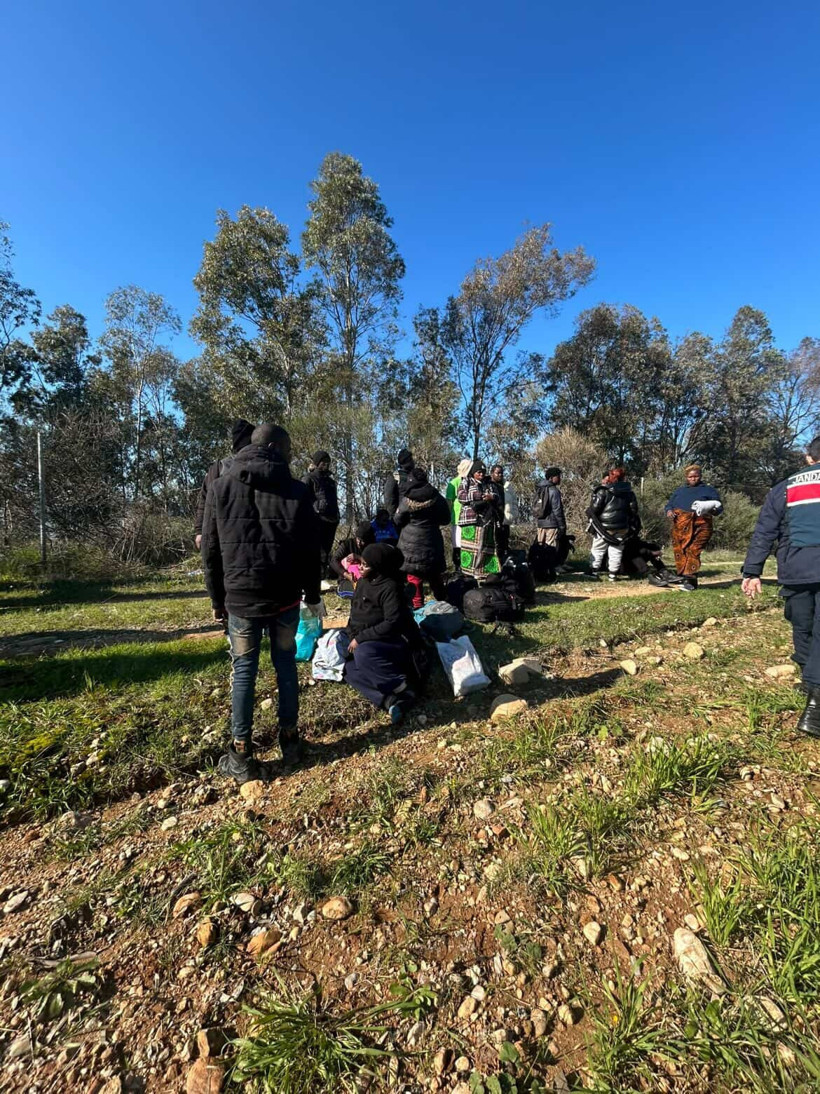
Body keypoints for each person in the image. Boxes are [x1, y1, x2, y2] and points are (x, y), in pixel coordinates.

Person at [201, 423, 322, 782]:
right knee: (285, 665)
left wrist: (217, 600)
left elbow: (210, 552)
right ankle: (291, 743)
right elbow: (310, 551)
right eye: (289, 448)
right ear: (275, 448)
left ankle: (241, 755)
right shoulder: (298, 491)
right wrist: (312, 595)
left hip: (240, 599)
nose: (292, 455)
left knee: (244, 672)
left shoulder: (220, 487)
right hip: (284, 598)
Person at [742, 437, 820, 738]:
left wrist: (752, 571)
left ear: (808, 457)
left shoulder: (785, 487)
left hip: (795, 567)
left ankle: (809, 681)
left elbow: (765, 531)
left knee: (802, 622)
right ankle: (815, 703)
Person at [344, 543, 423, 723]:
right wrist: (350, 634)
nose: (360, 567)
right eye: (360, 563)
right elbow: (356, 612)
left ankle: (401, 686)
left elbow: (392, 623)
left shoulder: (390, 587)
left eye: (365, 565)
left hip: (393, 641)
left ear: (379, 567)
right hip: (366, 635)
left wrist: (360, 638)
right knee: (348, 668)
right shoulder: (363, 582)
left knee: (363, 653)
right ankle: (390, 700)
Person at [194, 419, 255, 550]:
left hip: (232, 535)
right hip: (226, 533)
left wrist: (200, 532)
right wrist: (200, 531)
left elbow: (204, 500)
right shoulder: (220, 468)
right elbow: (205, 500)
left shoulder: (220, 467)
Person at [395, 468, 452, 607]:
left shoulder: (407, 499)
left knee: (414, 578)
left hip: (410, 546)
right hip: (432, 543)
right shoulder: (437, 497)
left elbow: (397, 520)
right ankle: (444, 604)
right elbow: (446, 519)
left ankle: (418, 608)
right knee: (435, 576)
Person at [665, 465, 723, 591]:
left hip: (702, 526)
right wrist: (669, 511)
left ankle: (689, 580)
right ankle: (688, 581)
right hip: (680, 526)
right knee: (682, 551)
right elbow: (669, 505)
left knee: (694, 550)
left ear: (700, 476)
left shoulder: (708, 490)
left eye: (696, 476)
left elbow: (718, 507)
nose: (693, 479)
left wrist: (711, 509)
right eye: (690, 477)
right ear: (686, 477)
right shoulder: (680, 491)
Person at [587, 467, 641, 582]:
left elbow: (594, 509)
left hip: (603, 527)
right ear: (624, 478)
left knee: (598, 549)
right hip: (622, 527)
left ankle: (593, 571)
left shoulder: (603, 491)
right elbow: (634, 511)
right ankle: (612, 574)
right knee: (616, 550)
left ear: (610, 477)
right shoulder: (630, 493)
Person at [457, 462, 502, 581]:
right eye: (479, 472)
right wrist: (480, 496)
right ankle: (468, 572)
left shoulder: (489, 483)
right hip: (470, 520)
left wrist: (491, 497)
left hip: (486, 520)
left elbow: (498, 497)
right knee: (469, 548)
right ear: (473, 473)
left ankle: (483, 572)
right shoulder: (466, 481)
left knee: (484, 547)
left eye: (483, 472)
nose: (481, 474)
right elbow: (461, 497)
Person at [304, 450, 340, 586]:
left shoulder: (330, 481)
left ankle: (322, 578)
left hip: (331, 520)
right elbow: (305, 500)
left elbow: (334, 500)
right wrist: (316, 510)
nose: (326, 464)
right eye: (323, 462)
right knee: (315, 552)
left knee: (326, 551)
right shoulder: (309, 478)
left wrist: (337, 516)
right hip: (317, 520)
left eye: (328, 462)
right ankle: (313, 580)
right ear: (317, 463)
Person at [534, 467, 566, 574]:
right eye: (558, 476)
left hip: (540, 523)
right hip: (551, 524)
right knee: (551, 548)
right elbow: (557, 510)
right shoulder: (554, 491)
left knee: (540, 547)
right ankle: (550, 570)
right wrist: (562, 525)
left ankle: (539, 569)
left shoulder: (539, 489)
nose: (560, 478)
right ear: (551, 478)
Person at [447, 458, 473, 569]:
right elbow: (449, 501)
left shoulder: (472, 482)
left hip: (470, 518)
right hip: (457, 519)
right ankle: (458, 567)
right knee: (457, 545)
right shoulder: (454, 483)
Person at [383, 448, 415, 520]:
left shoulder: (416, 476)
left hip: (416, 520)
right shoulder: (395, 477)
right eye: (411, 459)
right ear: (407, 461)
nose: (413, 461)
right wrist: (394, 518)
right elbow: (389, 499)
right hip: (402, 519)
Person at [487, 465, 511, 561]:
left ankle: (504, 562)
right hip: (494, 517)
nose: (500, 475)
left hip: (504, 517)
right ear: (492, 473)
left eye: (501, 473)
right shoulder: (488, 485)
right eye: (498, 473)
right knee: (496, 541)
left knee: (504, 540)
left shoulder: (504, 485)